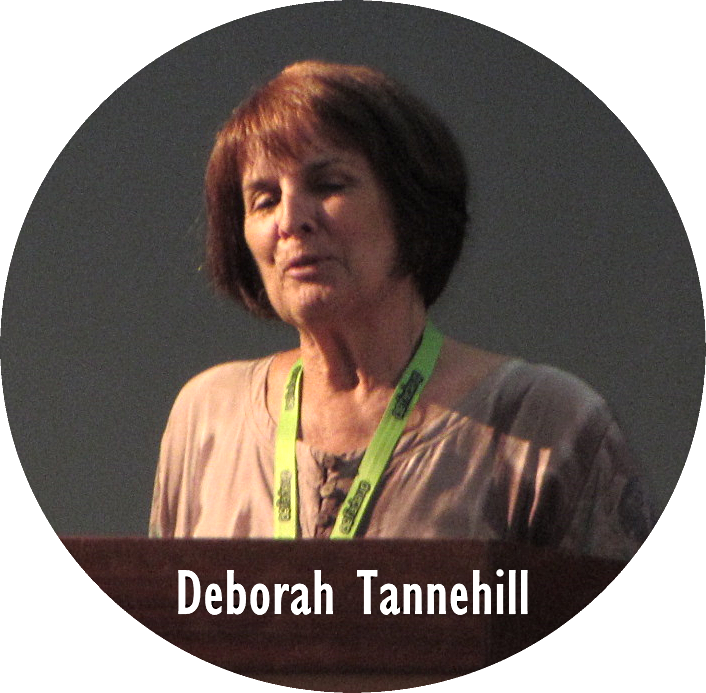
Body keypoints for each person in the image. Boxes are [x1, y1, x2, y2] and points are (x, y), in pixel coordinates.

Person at [149, 61, 652, 559]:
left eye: (328, 185)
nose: (291, 220)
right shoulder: (206, 417)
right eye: (264, 200)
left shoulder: (545, 424)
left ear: (411, 208)